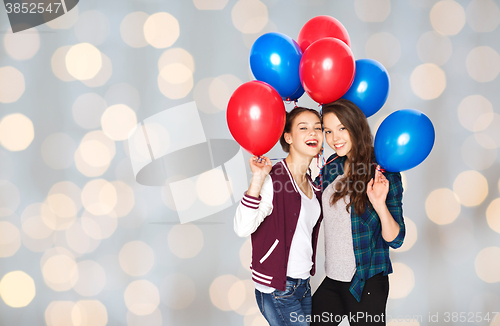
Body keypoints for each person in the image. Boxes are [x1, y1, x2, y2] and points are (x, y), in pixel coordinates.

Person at [311, 99, 405, 325]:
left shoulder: (382, 170)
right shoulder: (332, 165)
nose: (335, 138)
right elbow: (308, 202)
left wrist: (380, 203)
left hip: (366, 282)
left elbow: (396, 239)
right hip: (334, 278)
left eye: (342, 128)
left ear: (356, 126)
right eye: (329, 131)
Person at [234, 107, 324, 326]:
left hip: (303, 284)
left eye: (318, 128)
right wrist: (258, 178)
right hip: (278, 288)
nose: (312, 133)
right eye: (303, 128)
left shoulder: (314, 185)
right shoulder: (274, 177)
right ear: (288, 137)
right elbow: (242, 228)